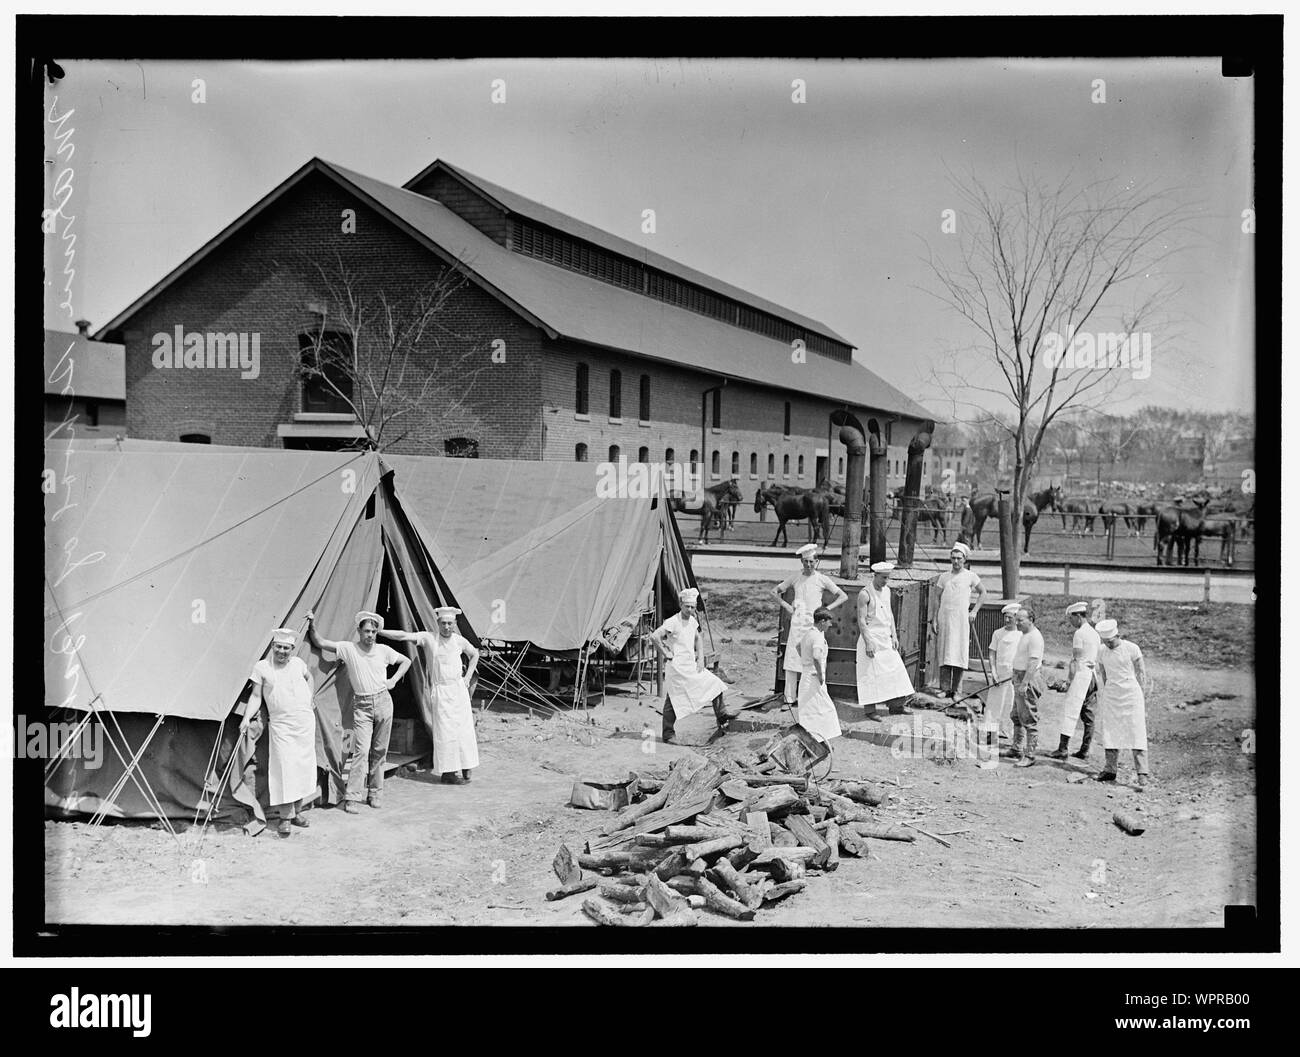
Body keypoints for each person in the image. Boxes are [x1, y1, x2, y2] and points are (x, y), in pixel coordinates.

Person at [306, 610, 410, 812]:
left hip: (383, 702)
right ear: (359, 631)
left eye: (373, 631)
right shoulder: (348, 649)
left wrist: (393, 680)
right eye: (366, 631)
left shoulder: (384, 650)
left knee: (380, 751)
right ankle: (353, 796)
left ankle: (375, 793)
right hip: (362, 705)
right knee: (361, 750)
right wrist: (312, 624)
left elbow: (406, 661)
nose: (370, 635)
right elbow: (320, 642)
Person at [380, 607, 480, 785]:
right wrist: (380, 631)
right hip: (441, 692)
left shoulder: (459, 641)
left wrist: (467, 678)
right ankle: (448, 773)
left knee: (464, 730)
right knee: (446, 732)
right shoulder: (429, 638)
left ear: (454, 624)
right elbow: (403, 635)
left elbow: (474, 654)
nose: (446, 627)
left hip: (458, 690)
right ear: (438, 624)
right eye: (443, 623)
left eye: (450, 623)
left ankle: (466, 765)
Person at [244, 627, 317, 837]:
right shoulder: (262, 668)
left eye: (286, 648)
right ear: (272, 647)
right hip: (281, 725)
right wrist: (246, 717)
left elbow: (309, 677)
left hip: (303, 723)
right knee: (284, 768)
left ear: (292, 649)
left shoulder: (297, 664)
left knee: (302, 768)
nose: (282, 651)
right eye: (278, 647)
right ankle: (285, 818)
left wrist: (309, 697)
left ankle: (297, 813)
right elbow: (256, 696)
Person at [651, 587, 730, 744]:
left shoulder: (693, 621)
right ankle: (668, 734)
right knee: (673, 700)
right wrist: (665, 652)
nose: (690, 609)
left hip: (691, 665)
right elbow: (655, 636)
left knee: (715, 684)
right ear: (681, 604)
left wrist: (700, 658)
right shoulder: (673, 622)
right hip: (676, 667)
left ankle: (722, 719)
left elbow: (698, 638)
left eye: (692, 607)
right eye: (687, 606)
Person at [772, 543, 848, 705]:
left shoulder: (822, 579)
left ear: (816, 561)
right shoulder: (795, 577)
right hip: (797, 624)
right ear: (801, 562)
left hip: (815, 626)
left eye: (811, 561)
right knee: (792, 660)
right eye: (805, 561)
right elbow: (774, 591)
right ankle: (789, 698)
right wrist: (786, 606)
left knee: (817, 658)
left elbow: (843, 596)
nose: (808, 565)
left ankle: (816, 697)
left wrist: (826, 609)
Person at [1093, 619, 1152, 788]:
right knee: (1110, 731)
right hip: (1112, 695)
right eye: (1105, 642)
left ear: (1118, 635)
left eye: (1110, 641)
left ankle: (1142, 774)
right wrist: (1106, 691)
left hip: (1131, 694)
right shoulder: (1102, 651)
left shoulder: (1132, 648)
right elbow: (1103, 674)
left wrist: (1142, 693)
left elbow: (1141, 672)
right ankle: (1110, 769)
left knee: (1136, 731)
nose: (1108, 644)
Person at [855, 561, 915, 721]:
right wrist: (868, 642)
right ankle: (870, 711)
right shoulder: (865, 594)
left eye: (888, 578)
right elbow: (861, 620)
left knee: (896, 670)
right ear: (875, 575)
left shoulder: (887, 591)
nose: (885, 581)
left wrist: (894, 636)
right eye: (883, 578)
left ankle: (896, 706)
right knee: (870, 674)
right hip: (871, 637)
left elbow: (890, 616)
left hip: (885, 637)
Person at [929, 542, 986, 699]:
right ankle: (945, 689)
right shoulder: (944, 577)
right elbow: (937, 597)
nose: (955, 562)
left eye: (959, 558)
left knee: (958, 653)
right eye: (953, 558)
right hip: (945, 619)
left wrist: (974, 611)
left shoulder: (970, 576)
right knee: (945, 652)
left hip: (961, 620)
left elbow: (983, 593)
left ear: (965, 559)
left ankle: (957, 691)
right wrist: (934, 619)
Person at [1050, 601, 1101, 761]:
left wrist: (1068, 681)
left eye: (1071, 618)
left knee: (1071, 710)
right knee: (1089, 713)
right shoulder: (1094, 632)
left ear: (1078, 616)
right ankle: (1085, 749)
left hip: (1081, 675)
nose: (1070, 622)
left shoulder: (1080, 634)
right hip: (1092, 675)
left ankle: (1063, 748)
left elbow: (1076, 660)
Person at [976, 602, 1021, 764]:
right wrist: (993, 673)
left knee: (1011, 704)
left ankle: (1008, 734)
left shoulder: (1022, 635)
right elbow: (992, 654)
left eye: (1010, 617)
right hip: (999, 674)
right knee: (994, 704)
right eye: (1005, 617)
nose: (1007, 620)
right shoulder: (998, 633)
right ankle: (989, 733)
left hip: (1014, 676)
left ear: (1016, 618)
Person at [1007, 603, 1046, 767]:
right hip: (1019, 677)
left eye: (1021, 620)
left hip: (1027, 680)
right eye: (1016, 620)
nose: (1017, 623)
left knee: (1029, 718)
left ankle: (1030, 755)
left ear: (1031, 620)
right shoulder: (1024, 634)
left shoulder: (1035, 637)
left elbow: (1033, 662)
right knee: (1016, 715)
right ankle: (1016, 748)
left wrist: (1024, 683)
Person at [796, 607, 842, 743]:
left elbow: (798, 646)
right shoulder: (817, 637)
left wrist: (805, 662)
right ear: (822, 621)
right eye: (828, 622)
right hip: (814, 677)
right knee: (824, 708)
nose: (830, 625)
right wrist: (821, 674)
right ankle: (815, 741)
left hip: (807, 675)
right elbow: (816, 656)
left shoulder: (809, 633)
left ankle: (818, 740)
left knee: (815, 709)